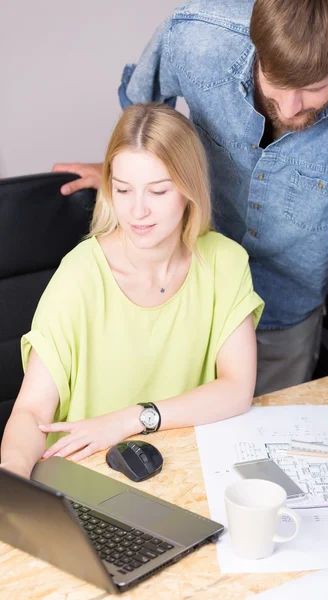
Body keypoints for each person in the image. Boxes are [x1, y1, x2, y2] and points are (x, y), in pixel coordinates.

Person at [52, 0, 328, 450]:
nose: (291, 109)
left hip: (283, 306)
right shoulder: (196, 36)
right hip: (183, 295)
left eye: (314, 89)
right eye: (276, 84)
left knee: (264, 456)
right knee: (169, 451)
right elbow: (143, 108)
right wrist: (130, 178)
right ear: (256, 47)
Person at [0, 103, 264, 478]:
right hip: (90, 476)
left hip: (185, 466)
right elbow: (31, 410)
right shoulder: (79, 275)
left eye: (157, 191)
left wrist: (131, 419)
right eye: (123, 190)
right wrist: (12, 475)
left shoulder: (226, 262)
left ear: (188, 190)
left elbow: (237, 389)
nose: (137, 211)